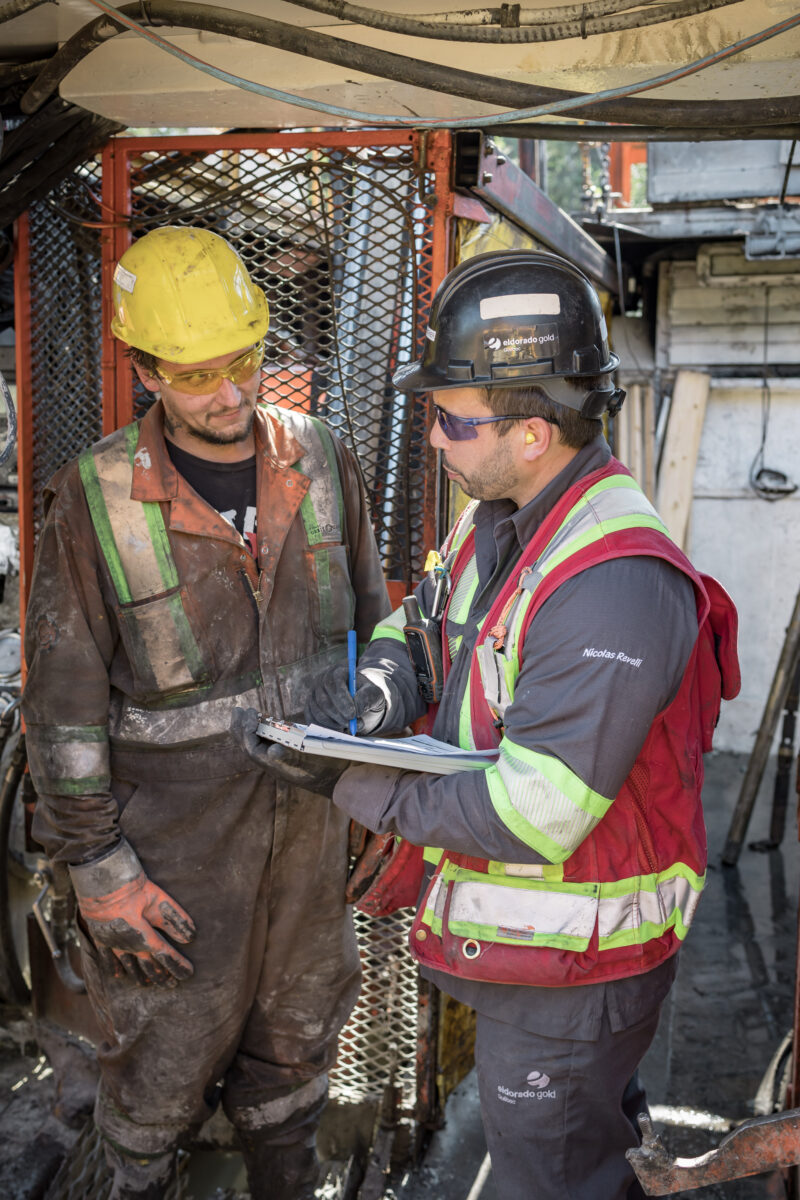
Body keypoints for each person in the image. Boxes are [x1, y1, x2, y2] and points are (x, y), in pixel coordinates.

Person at [235, 249, 740, 1199]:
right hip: (533, 963)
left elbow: (535, 815)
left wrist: (343, 780)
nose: (432, 438)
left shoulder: (612, 588)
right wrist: (380, 691)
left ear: (537, 430)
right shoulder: (501, 515)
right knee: (583, 1157)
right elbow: (427, 620)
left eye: (450, 419)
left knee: (549, 1179)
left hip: (575, 975)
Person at [22, 225, 390, 1200]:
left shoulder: (319, 461)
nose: (227, 394)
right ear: (143, 369)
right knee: (154, 1089)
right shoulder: (93, 501)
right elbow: (59, 707)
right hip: (173, 875)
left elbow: (376, 630)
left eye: (241, 363)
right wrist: (101, 878)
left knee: (295, 1070)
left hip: (310, 857)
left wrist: (392, 792)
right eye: (195, 376)